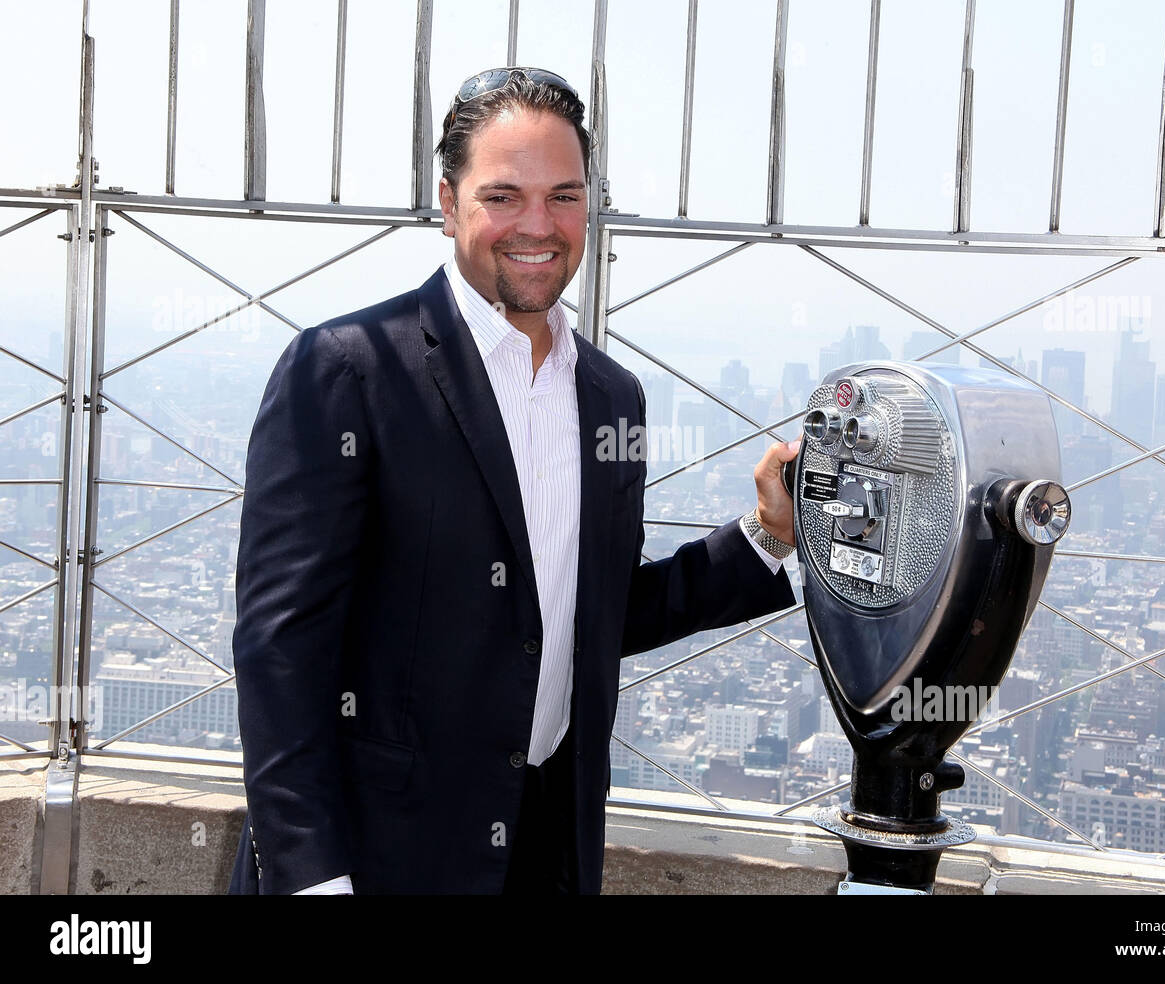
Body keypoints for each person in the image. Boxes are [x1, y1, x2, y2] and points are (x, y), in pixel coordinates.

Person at [228, 66, 800, 895]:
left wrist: (767, 538)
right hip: (377, 859)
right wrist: (314, 878)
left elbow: (590, 611)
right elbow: (281, 649)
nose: (539, 225)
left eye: (564, 196)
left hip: (543, 847)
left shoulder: (612, 395)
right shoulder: (348, 370)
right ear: (447, 199)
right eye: (504, 196)